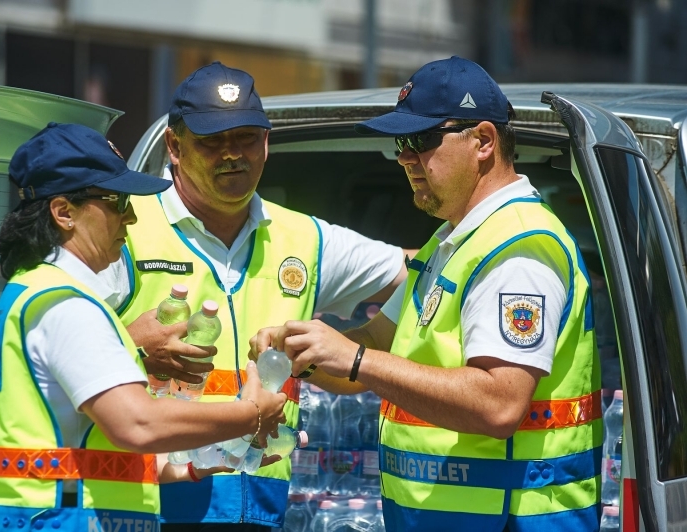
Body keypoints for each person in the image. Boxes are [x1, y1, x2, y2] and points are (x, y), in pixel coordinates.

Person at [253, 56, 602, 532]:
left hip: (509, 519)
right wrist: (305, 349)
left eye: (420, 141)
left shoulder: (518, 248)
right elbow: (374, 345)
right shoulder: (450, 242)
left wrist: (356, 359)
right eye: (400, 144)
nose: (404, 158)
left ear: (482, 141)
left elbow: (499, 404)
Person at [102, 61, 409, 531]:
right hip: (148, 504)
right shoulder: (123, 228)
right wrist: (131, 345)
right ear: (175, 148)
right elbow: (52, 350)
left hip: (264, 507)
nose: (232, 155)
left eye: (245, 138)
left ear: (266, 143)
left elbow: (418, 271)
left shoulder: (303, 238)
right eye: (211, 141)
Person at [0, 123, 287, 529]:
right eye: (116, 201)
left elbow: (82, 443)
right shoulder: (67, 305)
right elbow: (137, 423)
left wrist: (188, 465)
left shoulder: (37, 292)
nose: (130, 217)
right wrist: (249, 415)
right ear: (63, 213)